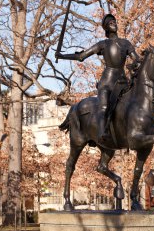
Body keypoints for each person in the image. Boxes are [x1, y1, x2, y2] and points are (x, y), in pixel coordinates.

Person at [55, 14, 140, 143]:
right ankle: (101, 133)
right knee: (104, 107)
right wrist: (62, 56)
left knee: (136, 103)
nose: (114, 23)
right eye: (110, 22)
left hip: (122, 82)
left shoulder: (125, 43)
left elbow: (137, 59)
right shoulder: (103, 44)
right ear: (106, 27)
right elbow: (81, 56)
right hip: (107, 83)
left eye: (114, 21)